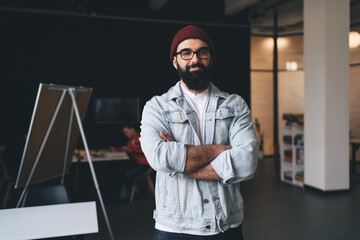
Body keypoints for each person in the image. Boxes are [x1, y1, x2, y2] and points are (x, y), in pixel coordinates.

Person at [139, 25, 259, 240]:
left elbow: (246, 162)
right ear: (175, 61)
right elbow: (159, 158)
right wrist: (220, 150)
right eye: (186, 53)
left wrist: (178, 165)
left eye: (202, 52)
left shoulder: (235, 105)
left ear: (210, 58)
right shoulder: (157, 107)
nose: (195, 59)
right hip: (174, 227)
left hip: (225, 224)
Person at [112, 123, 150, 199]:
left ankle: (127, 187)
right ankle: (128, 185)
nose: (126, 134)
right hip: (136, 162)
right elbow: (127, 149)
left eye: (127, 132)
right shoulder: (131, 140)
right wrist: (116, 149)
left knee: (133, 171)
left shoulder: (140, 138)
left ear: (132, 129)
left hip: (144, 163)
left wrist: (130, 150)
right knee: (118, 170)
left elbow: (144, 151)